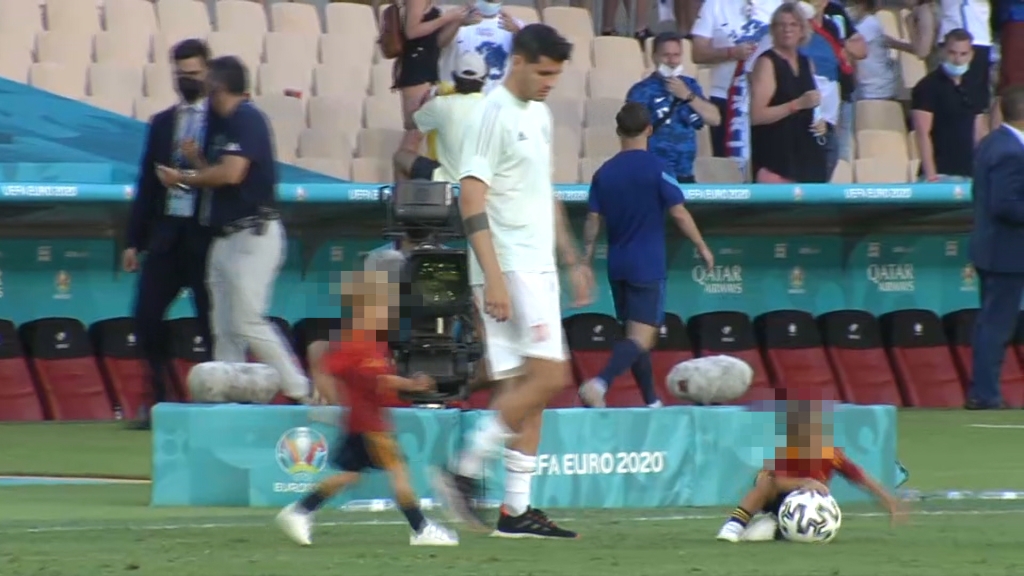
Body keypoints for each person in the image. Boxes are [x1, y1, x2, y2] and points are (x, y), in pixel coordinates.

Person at [433, 23, 593, 539]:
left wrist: (571, 257)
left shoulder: (539, 114)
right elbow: (470, 198)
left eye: (556, 75)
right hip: (511, 266)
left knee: (526, 389)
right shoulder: (491, 115)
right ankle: (463, 470)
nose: (550, 83)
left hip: (537, 264)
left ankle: (515, 512)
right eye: (543, 73)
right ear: (517, 62)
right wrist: (495, 278)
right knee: (550, 376)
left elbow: (542, 189)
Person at [154, 56, 312, 404]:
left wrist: (183, 177)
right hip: (225, 237)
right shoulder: (223, 124)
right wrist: (198, 163)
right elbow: (220, 176)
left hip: (253, 234)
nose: (204, 93)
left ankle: (300, 390)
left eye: (209, 86)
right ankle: (230, 398)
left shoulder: (246, 117)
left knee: (247, 320)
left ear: (220, 87)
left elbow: (231, 174)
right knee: (224, 327)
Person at [275, 268, 459, 547]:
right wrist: (413, 385)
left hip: (363, 419)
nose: (390, 311)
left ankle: (300, 511)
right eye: (384, 304)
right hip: (369, 423)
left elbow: (337, 369)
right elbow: (373, 378)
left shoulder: (367, 339)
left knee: (351, 475)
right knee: (398, 471)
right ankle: (420, 529)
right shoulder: (360, 341)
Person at [577, 102, 713, 409]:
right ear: (649, 130)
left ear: (618, 131)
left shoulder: (604, 173)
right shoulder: (658, 168)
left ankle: (651, 401)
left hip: (617, 265)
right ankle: (599, 384)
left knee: (634, 335)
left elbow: (592, 221)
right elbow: (679, 213)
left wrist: (586, 259)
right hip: (646, 264)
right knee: (641, 338)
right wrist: (701, 246)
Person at [124, 38, 213, 429]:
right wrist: (133, 240)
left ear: (208, 72)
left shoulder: (222, 122)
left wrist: (195, 165)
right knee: (146, 314)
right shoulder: (162, 123)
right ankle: (158, 400)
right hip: (166, 236)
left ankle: (218, 404)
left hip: (207, 238)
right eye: (181, 74)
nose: (187, 80)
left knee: (212, 322)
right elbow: (147, 184)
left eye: (194, 73)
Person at [715, 400, 906, 542]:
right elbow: (778, 481)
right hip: (778, 497)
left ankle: (779, 528)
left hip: (808, 503)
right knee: (766, 481)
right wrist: (805, 482)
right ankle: (735, 525)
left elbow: (860, 476)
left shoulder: (830, 453)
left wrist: (888, 499)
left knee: (764, 535)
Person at [965, 86, 1024, 410]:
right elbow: (1006, 205)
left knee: (991, 323)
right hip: (1006, 253)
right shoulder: (1011, 152)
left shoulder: (992, 143)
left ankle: (983, 391)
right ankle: (985, 394)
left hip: (992, 248)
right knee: (996, 325)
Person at [690, 0, 782, 172]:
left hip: (766, 101)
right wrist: (731, 52)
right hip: (723, 97)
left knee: (766, 166)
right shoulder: (715, 4)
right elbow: (697, 53)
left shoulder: (778, 4)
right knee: (727, 168)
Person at [625, 31, 721, 183]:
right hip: (652, 174)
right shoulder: (640, 91)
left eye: (676, 55)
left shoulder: (690, 85)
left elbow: (715, 119)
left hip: (685, 173)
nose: (672, 61)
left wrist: (687, 95)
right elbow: (631, 134)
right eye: (666, 55)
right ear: (654, 57)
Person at [749, 3, 829, 183]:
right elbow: (756, 116)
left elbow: (812, 105)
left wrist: (819, 122)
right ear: (773, 30)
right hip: (776, 159)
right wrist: (796, 105)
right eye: (781, 24)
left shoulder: (806, 62)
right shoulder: (767, 62)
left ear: (802, 30)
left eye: (793, 24)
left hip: (807, 157)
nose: (787, 29)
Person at [395, 50, 488, 182]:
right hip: (483, 184)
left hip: (446, 180)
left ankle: (401, 195)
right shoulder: (496, 109)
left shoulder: (439, 105)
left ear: (454, 77)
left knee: (401, 158)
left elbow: (410, 123)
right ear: (484, 79)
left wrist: (427, 101)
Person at [911, 29, 989, 182]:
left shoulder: (974, 85)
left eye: (963, 54)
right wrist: (931, 176)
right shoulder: (928, 86)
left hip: (969, 173)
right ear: (943, 51)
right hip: (940, 173)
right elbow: (922, 134)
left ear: (971, 55)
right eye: (952, 53)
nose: (958, 60)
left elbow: (980, 132)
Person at [439, 0, 522, 94]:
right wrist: (458, 23)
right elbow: (439, 44)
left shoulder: (513, 25)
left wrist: (518, 32)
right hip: (454, 95)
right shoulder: (454, 19)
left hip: (494, 99)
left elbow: (531, 55)